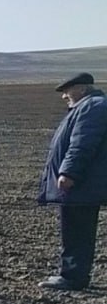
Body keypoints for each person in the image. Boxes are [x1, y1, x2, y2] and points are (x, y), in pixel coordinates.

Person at [37, 72, 107, 290]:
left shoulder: (92, 107)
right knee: (77, 228)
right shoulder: (88, 106)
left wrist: (69, 172)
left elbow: (82, 143)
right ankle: (73, 275)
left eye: (67, 90)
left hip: (81, 183)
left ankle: (73, 277)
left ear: (82, 89)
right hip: (84, 183)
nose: (64, 96)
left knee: (77, 229)